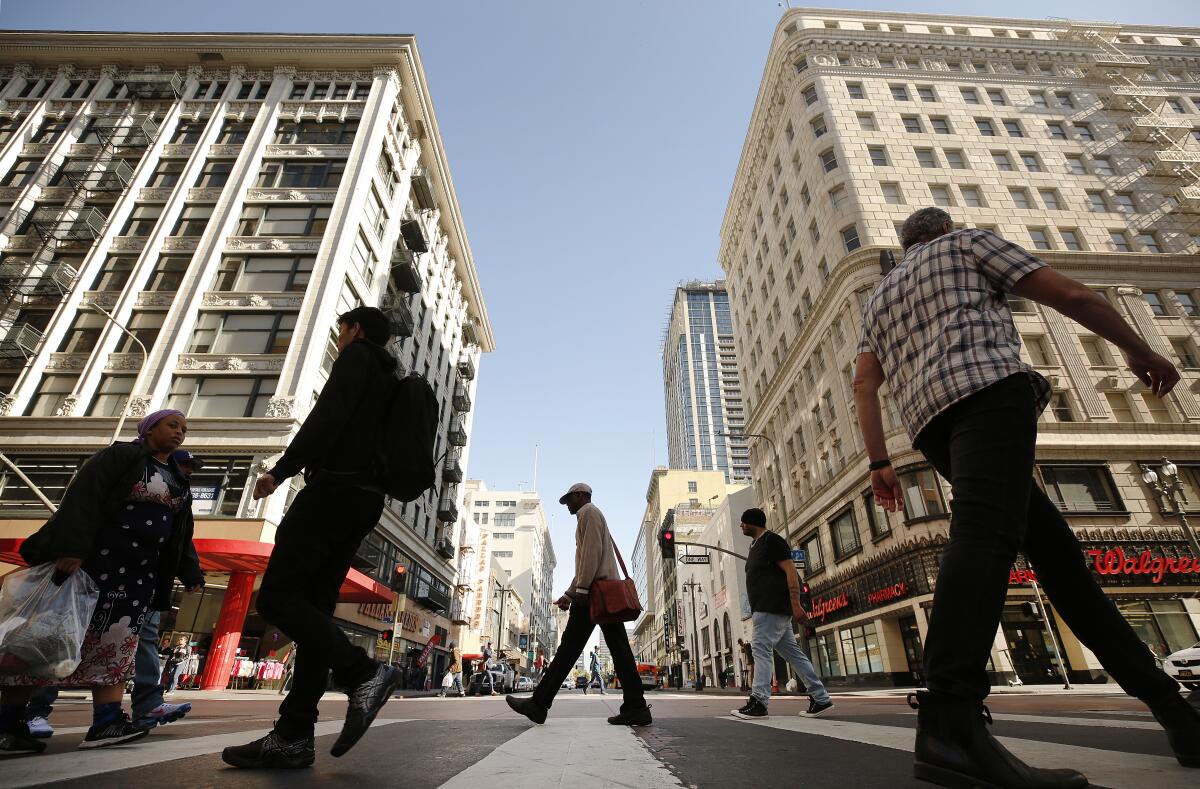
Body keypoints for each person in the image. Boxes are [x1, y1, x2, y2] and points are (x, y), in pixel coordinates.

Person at [853, 208, 1200, 788]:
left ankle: (1175, 712)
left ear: (905, 243)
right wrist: (1138, 350)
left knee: (1063, 567)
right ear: (941, 231)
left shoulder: (880, 297)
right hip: (990, 394)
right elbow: (1069, 294)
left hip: (932, 426)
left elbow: (865, 382)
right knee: (985, 538)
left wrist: (879, 462)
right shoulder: (968, 245)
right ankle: (950, 721)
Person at [223, 307, 402, 770]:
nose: (338, 339)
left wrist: (280, 471)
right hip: (364, 500)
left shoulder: (358, 358)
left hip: (333, 491)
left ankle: (363, 673)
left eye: (340, 331)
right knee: (315, 613)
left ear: (354, 330)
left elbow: (326, 419)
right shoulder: (390, 375)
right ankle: (293, 735)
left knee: (278, 598)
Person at [0, 410, 200, 754]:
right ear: (150, 429)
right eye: (172, 425)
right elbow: (83, 499)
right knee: (42, 643)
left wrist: (190, 571)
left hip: (137, 579)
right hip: (90, 569)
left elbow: (181, 534)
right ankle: (7, 724)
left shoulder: (178, 480)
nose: (179, 432)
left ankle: (106, 721)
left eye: (183, 428)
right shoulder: (122, 456)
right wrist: (73, 548)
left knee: (116, 645)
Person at [506, 483, 651, 727]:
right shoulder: (589, 515)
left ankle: (539, 704)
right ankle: (636, 707)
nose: (567, 505)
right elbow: (586, 561)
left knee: (570, 650)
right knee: (617, 650)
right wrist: (569, 594)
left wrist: (580, 592)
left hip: (595, 594)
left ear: (581, 495)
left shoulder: (588, 513)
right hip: (597, 592)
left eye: (570, 500)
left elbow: (591, 555)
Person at [731, 508, 833, 720]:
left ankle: (759, 701)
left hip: (772, 607)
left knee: (761, 650)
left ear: (753, 522)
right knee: (792, 653)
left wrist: (795, 603)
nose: (741, 526)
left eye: (743, 522)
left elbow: (791, 572)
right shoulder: (755, 546)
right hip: (766, 608)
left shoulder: (772, 541)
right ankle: (821, 698)